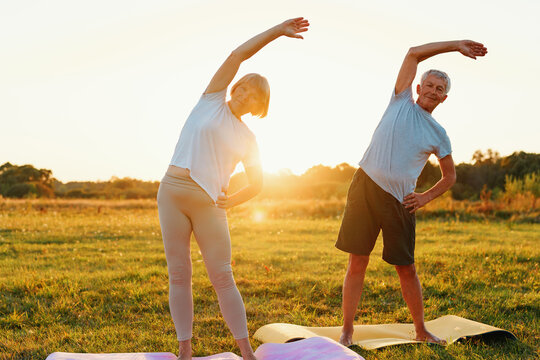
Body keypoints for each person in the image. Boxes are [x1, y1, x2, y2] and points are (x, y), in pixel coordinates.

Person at [157, 18, 309, 360]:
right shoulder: (210, 100)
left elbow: (258, 184)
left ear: (259, 105)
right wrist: (275, 32)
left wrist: (231, 201)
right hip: (171, 191)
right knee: (178, 273)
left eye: (252, 94)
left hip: (208, 202)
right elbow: (238, 54)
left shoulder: (248, 138)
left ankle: (245, 351)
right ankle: (185, 350)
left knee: (222, 276)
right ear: (234, 87)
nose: (243, 94)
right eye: (241, 87)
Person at [335, 40, 488, 346]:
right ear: (418, 89)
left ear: (444, 98)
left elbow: (450, 177)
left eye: (439, 88)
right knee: (357, 262)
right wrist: (456, 45)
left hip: (400, 201)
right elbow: (413, 53)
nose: (433, 90)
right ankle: (347, 331)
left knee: (406, 268)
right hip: (365, 187)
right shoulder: (400, 100)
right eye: (429, 85)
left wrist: (425, 197)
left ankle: (420, 329)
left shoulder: (438, 134)